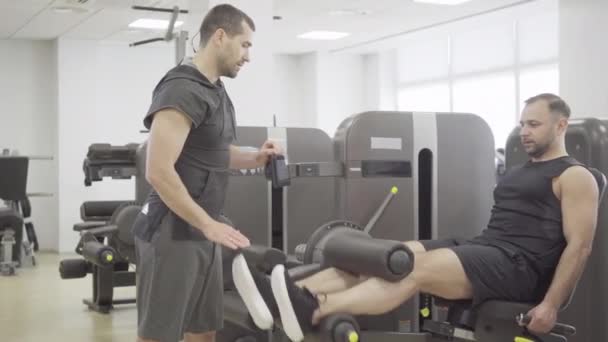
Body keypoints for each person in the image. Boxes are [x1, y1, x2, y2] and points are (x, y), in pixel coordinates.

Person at [235, 93, 601, 342]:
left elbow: (579, 247)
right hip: (487, 246)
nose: (524, 131)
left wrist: (550, 305)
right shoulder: (524, 169)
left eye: (534, 124)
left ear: (561, 126)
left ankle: (314, 308)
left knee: (412, 270)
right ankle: (290, 295)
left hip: (518, 268)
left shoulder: (574, 176)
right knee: (389, 255)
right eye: (522, 123)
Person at [131, 4, 281, 342]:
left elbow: (213, 152)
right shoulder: (181, 89)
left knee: (203, 331)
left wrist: (255, 158)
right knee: (159, 335)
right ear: (220, 36)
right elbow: (158, 171)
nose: (248, 55)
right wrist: (208, 223)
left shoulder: (214, 88)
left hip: (202, 230)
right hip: (171, 233)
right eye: (245, 45)